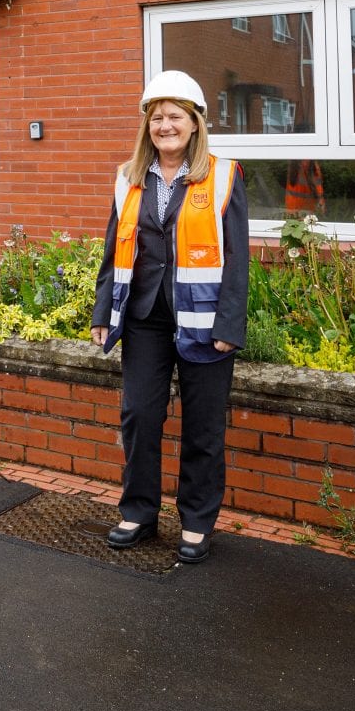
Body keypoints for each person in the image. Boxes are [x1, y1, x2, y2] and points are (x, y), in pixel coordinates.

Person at [90, 70, 249, 564]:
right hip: (144, 318)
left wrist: (229, 325)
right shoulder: (129, 176)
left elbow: (239, 257)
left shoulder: (224, 175)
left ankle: (197, 521)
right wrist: (102, 310)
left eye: (175, 116)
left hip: (203, 321)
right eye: (157, 117)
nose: (165, 125)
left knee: (203, 428)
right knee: (139, 415)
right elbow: (113, 247)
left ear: (195, 123)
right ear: (147, 126)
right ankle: (138, 512)